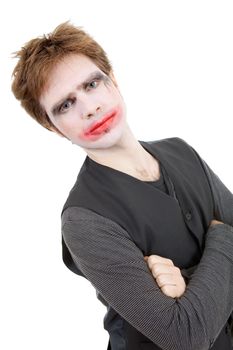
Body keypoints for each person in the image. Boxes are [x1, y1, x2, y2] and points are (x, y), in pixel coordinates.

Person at [11, 22, 233, 350]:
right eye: (65, 105)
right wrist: (224, 233)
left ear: (113, 79)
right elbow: (186, 337)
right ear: (53, 127)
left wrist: (186, 284)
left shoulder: (181, 150)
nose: (90, 108)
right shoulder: (83, 219)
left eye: (91, 84)